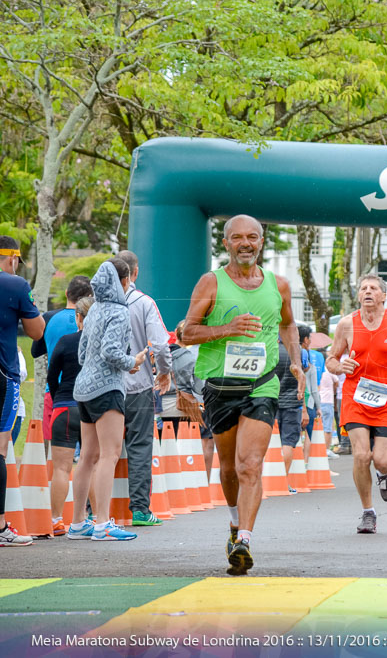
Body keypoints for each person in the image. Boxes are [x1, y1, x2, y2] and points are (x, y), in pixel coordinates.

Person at [181, 214, 305, 574]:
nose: (246, 243)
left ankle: (244, 540)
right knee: (228, 468)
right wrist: (226, 329)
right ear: (226, 243)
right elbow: (187, 333)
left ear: (262, 241)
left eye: (253, 237)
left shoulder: (278, 285)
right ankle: (234, 523)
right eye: (238, 238)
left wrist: (295, 362)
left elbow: (287, 323)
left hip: (262, 384)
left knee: (250, 465)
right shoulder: (211, 283)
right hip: (220, 386)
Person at [327, 274, 387, 535]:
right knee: (360, 455)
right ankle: (368, 512)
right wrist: (339, 366)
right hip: (355, 398)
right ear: (358, 295)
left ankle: (386, 473)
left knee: (381, 460)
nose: (367, 292)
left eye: (373, 288)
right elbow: (331, 359)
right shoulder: (346, 324)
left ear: (383, 296)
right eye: (363, 288)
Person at [71, 258, 148, 542]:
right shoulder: (118, 311)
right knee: (109, 454)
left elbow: (82, 354)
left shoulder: (92, 312)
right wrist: (133, 361)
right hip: (107, 388)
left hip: (83, 388)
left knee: (87, 457)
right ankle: (103, 522)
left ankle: (78, 522)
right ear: (124, 281)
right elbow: (111, 351)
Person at [115, 250, 173, 527]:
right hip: (138, 388)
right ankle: (139, 509)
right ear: (134, 273)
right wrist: (163, 372)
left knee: (100, 451)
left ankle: (92, 511)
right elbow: (160, 344)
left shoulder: (95, 304)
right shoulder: (144, 303)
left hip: (104, 389)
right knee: (139, 447)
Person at [0, 236, 44, 547]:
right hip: (3, 374)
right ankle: (1, 526)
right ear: (13, 258)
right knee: (0, 449)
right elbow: (37, 331)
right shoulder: (15, 285)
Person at [47, 297, 92, 536]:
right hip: (92, 408)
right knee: (91, 465)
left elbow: (52, 376)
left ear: (78, 317)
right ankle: (90, 518)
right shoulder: (100, 343)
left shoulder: (65, 341)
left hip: (64, 406)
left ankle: (56, 520)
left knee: (61, 469)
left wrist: (58, 400)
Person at [32, 275, 92, 451]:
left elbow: (35, 351)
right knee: (90, 457)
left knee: (55, 454)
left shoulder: (49, 318)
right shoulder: (94, 322)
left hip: (56, 393)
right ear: (89, 296)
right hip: (89, 393)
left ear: (66, 293)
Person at [160, 322, 210, 479]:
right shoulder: (191, 357)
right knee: (184, 447)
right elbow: (198, 386)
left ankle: (166, 480)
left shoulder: (163, 354)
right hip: (183, 408)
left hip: (161, 407)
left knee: (164, 446)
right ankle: (185, 480)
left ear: (175, 333)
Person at [273, 335, 307, 494]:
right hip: (293, 403)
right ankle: (282, 480)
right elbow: (303, 377)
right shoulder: (299, 353)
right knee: (288, 442)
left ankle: (269, 479)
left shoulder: (271, 350)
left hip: (271, 401)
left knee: (271, 443)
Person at [317, 354, 340, 451]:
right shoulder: (329, 371)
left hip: (318, 401)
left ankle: (318, 449)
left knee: (318, 427)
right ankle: (326, 450)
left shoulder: (316, 370)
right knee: (328, 427)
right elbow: (337, 383)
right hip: (327, 401)